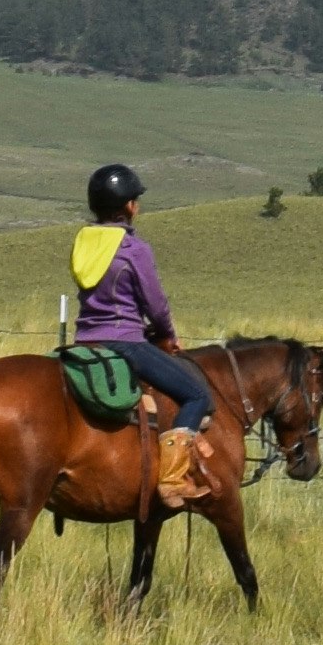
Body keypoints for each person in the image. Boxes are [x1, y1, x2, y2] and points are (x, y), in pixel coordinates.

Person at [65, 163, 217, 505]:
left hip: (85, 340)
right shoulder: (133, 250)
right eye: (136, 200)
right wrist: (167, 334)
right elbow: (156, 304)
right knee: (195, 395)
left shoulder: (83, 243)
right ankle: (173, 480)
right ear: (129, 206)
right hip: (125, 342)